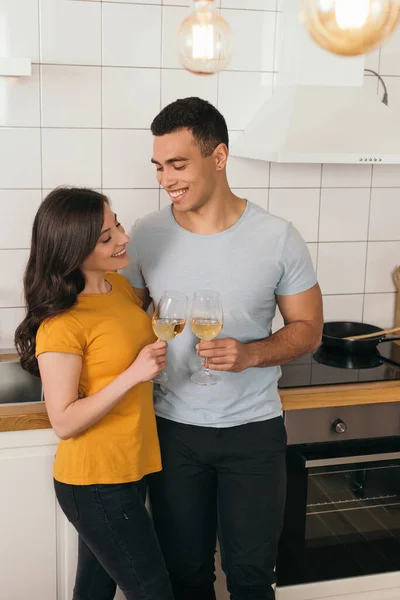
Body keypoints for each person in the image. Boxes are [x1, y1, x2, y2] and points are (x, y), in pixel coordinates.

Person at [123, 97, 323, 600]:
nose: (165, 179)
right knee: (186, 575)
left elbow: (308, 328)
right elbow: (121, 316)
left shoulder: (278, 238)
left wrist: (251, 354)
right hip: (172, 431)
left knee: (252, 578)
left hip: (253, 433)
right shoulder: (145, 234)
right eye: (159, 166)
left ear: (219, 157)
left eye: (178, 164)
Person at [15, 187, 174, 600]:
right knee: (154, 591)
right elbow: (64, 421)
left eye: (116, 224)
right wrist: (134, 374)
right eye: (106, 237)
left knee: (93, 590)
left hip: (129, 466)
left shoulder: (118, 288)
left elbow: (126, 349)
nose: (123, 238)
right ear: (73, 249)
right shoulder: (62, 324)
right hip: (96, 481)